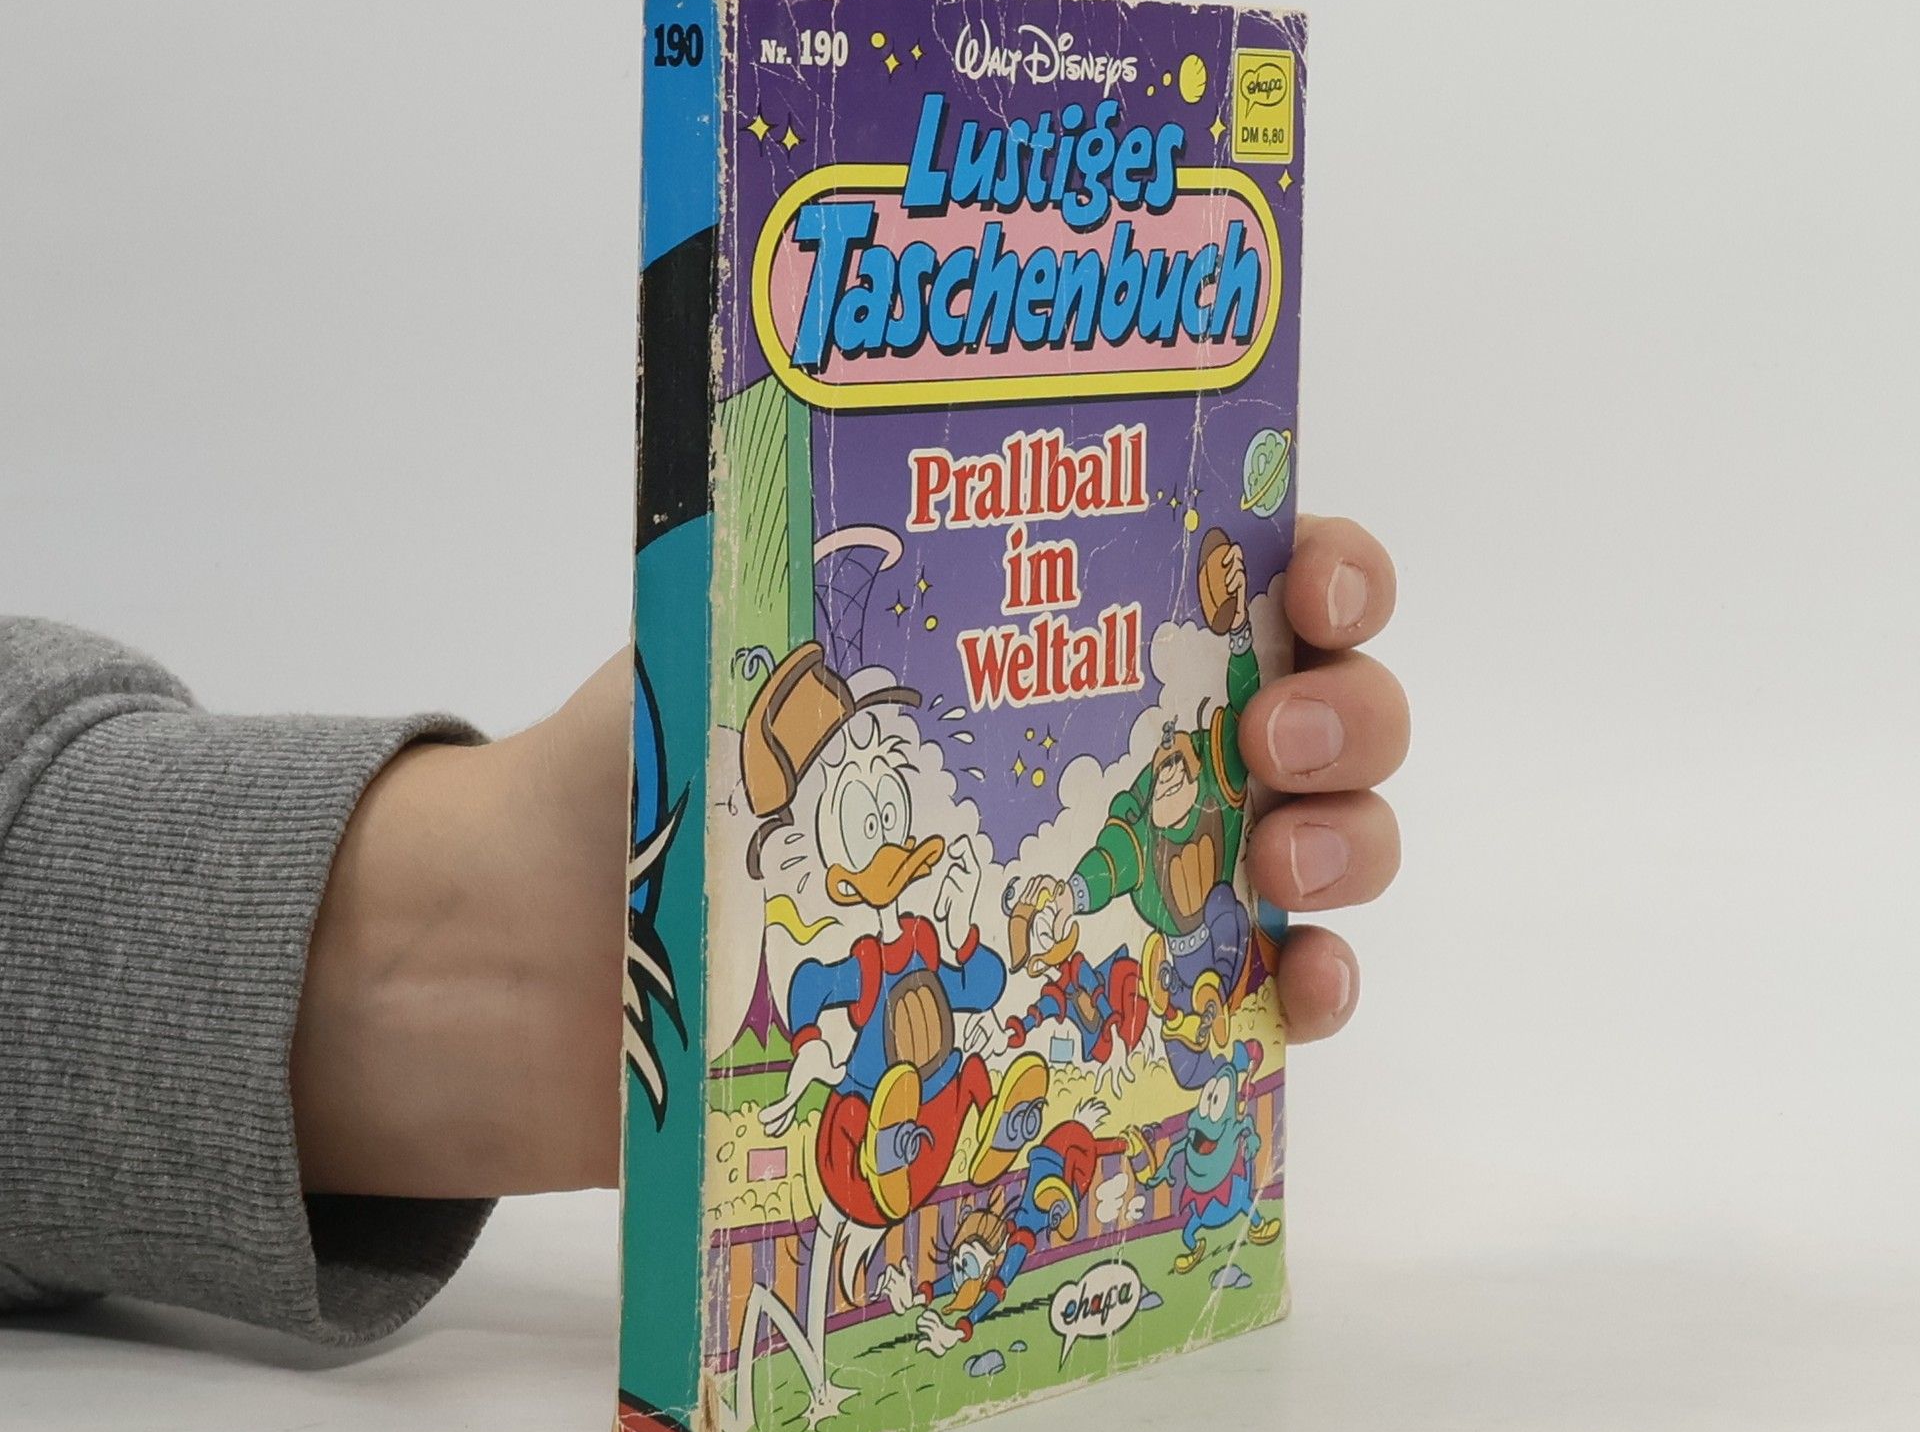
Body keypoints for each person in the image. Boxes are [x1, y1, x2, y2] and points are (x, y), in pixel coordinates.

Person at [0, 517, 1407, 1348]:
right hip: (870, 1117)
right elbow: (856, 973)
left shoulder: (929, 923)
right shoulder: (853, 945)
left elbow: (973, 963)